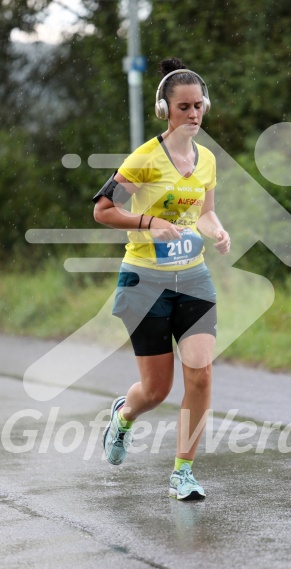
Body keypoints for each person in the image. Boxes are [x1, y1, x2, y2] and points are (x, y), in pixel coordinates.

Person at [93, 57, 230, 501]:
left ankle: (182, 473)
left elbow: (204, 213)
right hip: (145, 281)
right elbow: (103, 210)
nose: (193, 115)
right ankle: (123, 416)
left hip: (193, 278)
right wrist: (150, 223)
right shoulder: (145, 160)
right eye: (184, 107)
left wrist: (217, 230)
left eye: (198, 107)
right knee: (155, 389)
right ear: (164, 111)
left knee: (202, 374)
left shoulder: (207, 159)